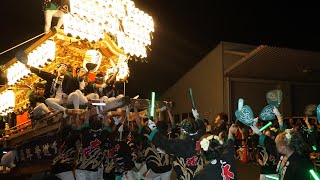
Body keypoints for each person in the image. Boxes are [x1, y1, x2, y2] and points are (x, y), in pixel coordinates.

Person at [145, 109, 205, 180]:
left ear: (183, 131)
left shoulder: (181, 144)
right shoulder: (199, 137)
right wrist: (197, 117)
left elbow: (164, 142)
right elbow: (202, 128)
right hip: (200, 176)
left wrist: (153, 128)